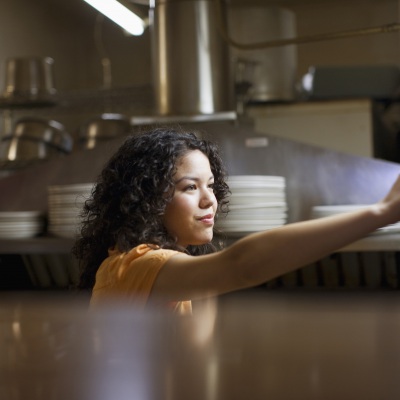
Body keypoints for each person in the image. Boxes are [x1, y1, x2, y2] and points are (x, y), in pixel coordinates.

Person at [73, 127, 400, 312]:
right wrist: (380, 213)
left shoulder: (166, 269)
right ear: (145, 196)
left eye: (211, 186)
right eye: (190, 187)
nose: (209, 200)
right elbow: (243, 265)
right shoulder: (134, 265)